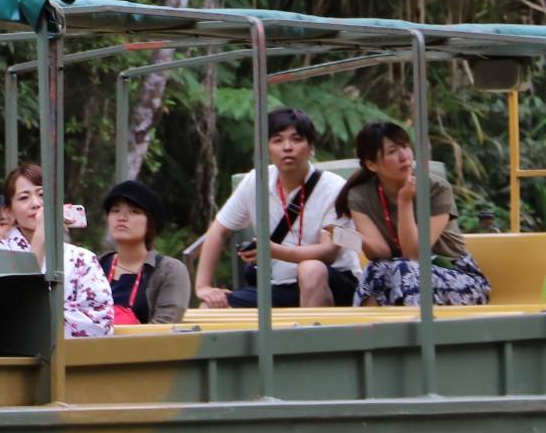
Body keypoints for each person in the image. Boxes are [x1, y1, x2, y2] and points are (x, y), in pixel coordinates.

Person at [193, 107, 355, 310]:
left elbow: (330, 252)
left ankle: (313, 341)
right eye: (277, 140)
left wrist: (274, 251)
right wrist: (203, 286)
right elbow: (218, 230)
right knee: (209, 309)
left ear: (311, 147)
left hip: (335, 282)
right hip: (280, 286)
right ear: (266, 149)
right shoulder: (256, 180)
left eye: (296, 139)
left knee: (310, 269)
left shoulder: (336, 187)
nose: (287, 147)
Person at [343, 121, 492, 307]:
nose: (404, 156)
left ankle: (415, 335)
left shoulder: (436, 189)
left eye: (405, 146)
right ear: (372, 165)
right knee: (376, 269)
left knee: (403, 268)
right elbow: (382, 253)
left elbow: (414, 254)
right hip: (399, 274)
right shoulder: (360, 195)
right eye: (392, 151)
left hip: (457, 275)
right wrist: (354, 237)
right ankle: (366, 332)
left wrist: (404, 201)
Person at [0, 163, 113, 337]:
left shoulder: (84, 259)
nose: (36, 203)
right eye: (24, 198)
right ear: (10, 212)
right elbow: (7, 313)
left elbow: (101, 325)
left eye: (42, 195)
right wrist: (40, 238)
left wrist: (36, 317)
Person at [98, 180, 188, 325]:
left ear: (150, 223)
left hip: (146, 347)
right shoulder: (93, 265)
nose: (122, 217)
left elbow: (166, 327)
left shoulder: (169, 270)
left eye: (134, 211)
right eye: (115, 210)